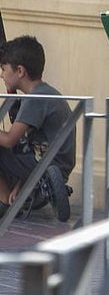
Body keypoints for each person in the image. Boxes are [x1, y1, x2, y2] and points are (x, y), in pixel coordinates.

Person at [0, 35, 74, 222]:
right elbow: (30, 143)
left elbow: (9, 140)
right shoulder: (45, 92)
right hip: (54, 161)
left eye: (3, 69)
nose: (1, 75)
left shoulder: (35, 98)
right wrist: (19, 186)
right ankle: (14, 197)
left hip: (46, 163)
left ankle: (5, 205)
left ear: (20, 71)